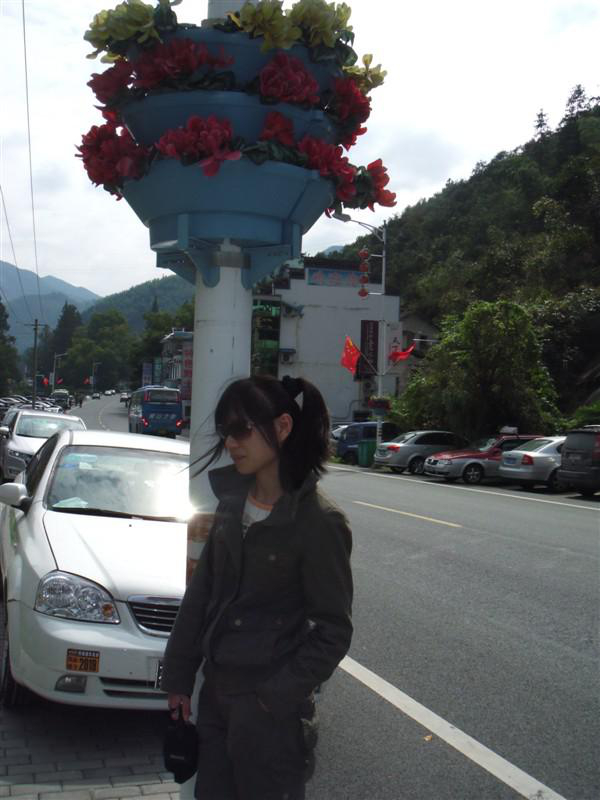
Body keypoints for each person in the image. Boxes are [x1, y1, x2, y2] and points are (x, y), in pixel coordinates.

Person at [161, 375, 353, 800]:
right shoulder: (231, 505)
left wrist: (273, 696)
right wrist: (178, 678)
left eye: (241, 429)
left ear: (283, 427)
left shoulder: (319, 523)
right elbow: (201, 596)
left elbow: (334, 631)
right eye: (226, 431)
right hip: (216, 699)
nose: (231, 443)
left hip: (271, 719)